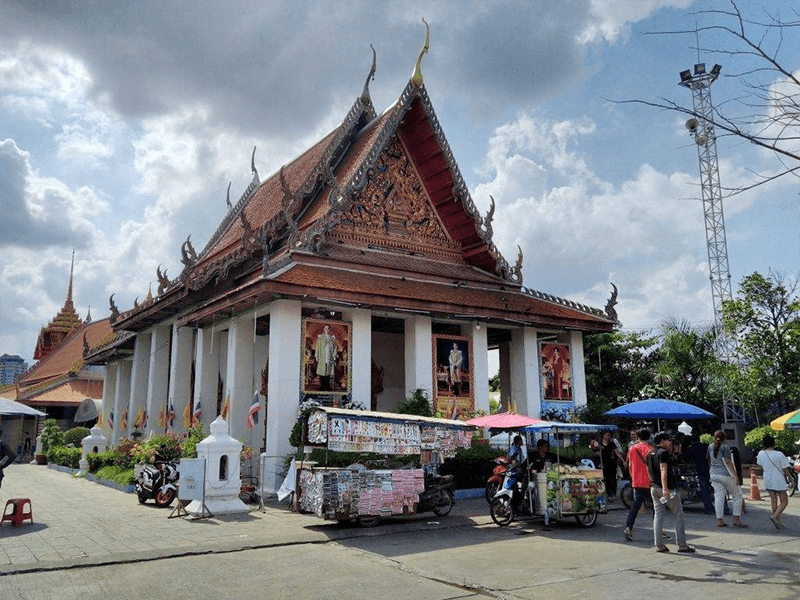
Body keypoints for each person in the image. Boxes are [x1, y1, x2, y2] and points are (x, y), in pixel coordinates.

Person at [648, 431, 696, 553]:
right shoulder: (663, 453)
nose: (670, 442)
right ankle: (682, 544)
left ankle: (659, 544)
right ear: (663, 441)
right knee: (678, 514)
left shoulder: (650, 453)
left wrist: (653, 482)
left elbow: (648, 470)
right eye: (668, 440)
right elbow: (664, 470)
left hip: (654, 487)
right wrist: (665, 488)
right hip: (666, 488)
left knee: (658, 516)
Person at [708, 430, 747, 528]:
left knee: (719, 497)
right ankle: (736, 519)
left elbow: (709, 460)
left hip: (713, 474)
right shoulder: (725, 447)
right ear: (725, 438)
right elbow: (728, 462)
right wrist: (735, 475)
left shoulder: (710, 446)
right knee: (737, 495)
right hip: (725, 474)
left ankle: (719, 520)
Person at [756, 434, 792, 529]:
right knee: (784, 501)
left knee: (773, 499)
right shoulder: (779, 454)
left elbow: (760, 465)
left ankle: (778, 521)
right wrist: (791, 479)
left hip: (768, 478)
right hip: (778, 479)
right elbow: (785, 469)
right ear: (773, 444)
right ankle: (775, 516)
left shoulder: (761, 453)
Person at [623, 428, 652, 541]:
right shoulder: (649, 449)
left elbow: (630, 465)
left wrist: (633, 478)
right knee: (657, 507)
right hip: (649, 482)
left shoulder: (632, 449)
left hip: (636, 481)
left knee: (635, 507)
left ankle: (629, 527)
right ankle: (659, 531)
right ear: (649, 437)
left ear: (638, 437)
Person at [686, 434, 715, 514]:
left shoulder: (691, 448)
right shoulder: (706, 446)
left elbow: (686, 457)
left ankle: (708, 508)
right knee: (711, 487)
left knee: (704, 489)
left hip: (700, 469)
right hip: (708, 468)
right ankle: (716, 507)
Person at [600, 430, 625, 502]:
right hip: (604, 464)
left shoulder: (611, 443)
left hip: (612, 464)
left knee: (613, 479)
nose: (608, 437)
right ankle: (608, 494)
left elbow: (616, 452)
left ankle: (613, 494)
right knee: (606, 479)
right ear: (603, 436)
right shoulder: (600, 444)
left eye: (609, 435)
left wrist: (622, 460)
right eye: (606, 435)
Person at [314, 324, 338, 391]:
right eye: (325, 328)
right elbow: (317, 347)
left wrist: (334, 356)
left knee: (328, 372)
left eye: (328, 329)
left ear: (329, 330)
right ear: (324, 329)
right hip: (322, 356)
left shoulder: (332, 338)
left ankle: (327, 386)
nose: (327, 330)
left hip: (329, 357)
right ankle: (322, 386)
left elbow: (334, 348)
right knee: (322, 372)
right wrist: (317, 355)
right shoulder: (320, 337)